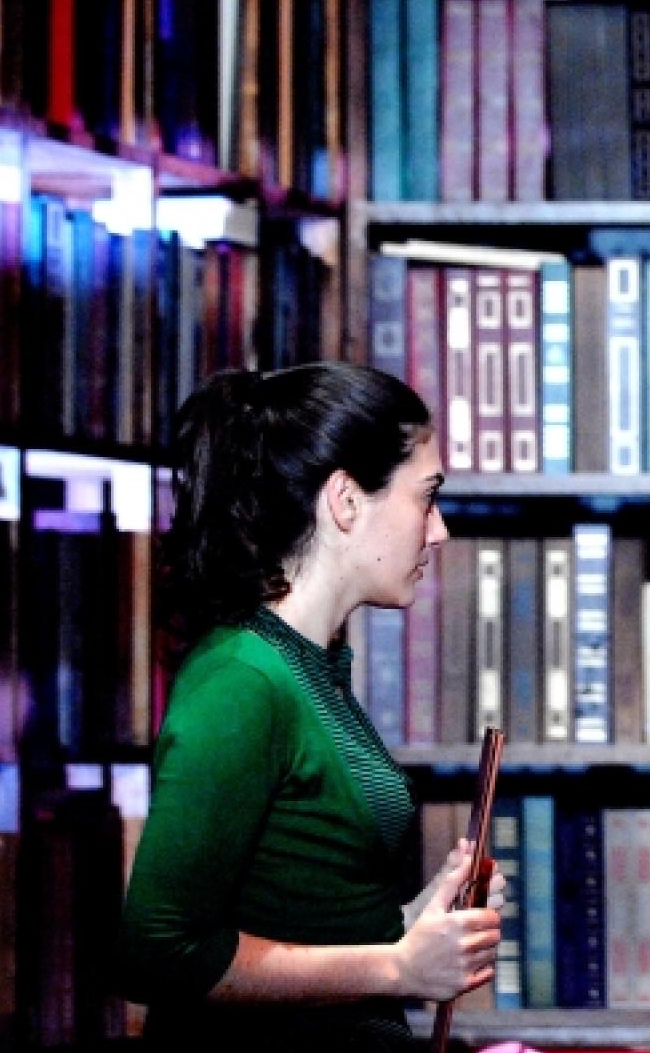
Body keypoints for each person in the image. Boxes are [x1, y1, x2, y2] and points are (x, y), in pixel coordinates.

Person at [120, 363, 503, 1052]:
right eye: (426, 498)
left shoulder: (313, 666)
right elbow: (158, 950)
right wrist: (397, 966)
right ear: (346, 501)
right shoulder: (241, 681)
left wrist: (419, 925)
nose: (439, 530)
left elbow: (306, 921)